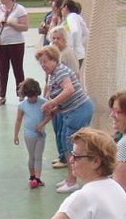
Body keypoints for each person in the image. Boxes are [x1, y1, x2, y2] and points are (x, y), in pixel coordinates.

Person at [37, 43, 93, 193]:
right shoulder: (53, 74)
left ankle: (73, 180)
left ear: (54, 59)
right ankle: (70, 178)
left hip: (79, 110)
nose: (43, 65)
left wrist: (52, 102)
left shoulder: (60, 72)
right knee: (65, 141)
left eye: (46, 61)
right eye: (41, 62)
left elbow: (69, 89)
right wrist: (56, 107)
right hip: (72, 110)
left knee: (71, 145)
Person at [0, 0, 30, 106]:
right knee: (3, 70)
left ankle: (21, 94)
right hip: (2, 43)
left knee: (18, 69)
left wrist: (13, 24)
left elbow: (25, 27)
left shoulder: (19, 9)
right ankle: (2, 96)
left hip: (16, 43)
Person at [14, 78, 47, 188]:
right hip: (29, 135)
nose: (33, 99)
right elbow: (18, 120)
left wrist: (41, 125)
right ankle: (32, 176)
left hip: (40, 135)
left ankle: (37, 178)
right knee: (31, 156)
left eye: (34, 96)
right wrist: (15, 135)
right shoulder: (22, 105)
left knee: (38, 156)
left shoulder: (43, 103)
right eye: (30, 96)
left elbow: (49, 115)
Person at [61, 0, 89, 68]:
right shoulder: (76, 17)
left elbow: (75, 31)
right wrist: (79, 44)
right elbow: (86, 33)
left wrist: (72, 48)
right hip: (78, 53)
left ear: (66, 7)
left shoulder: (71, 16)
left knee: (70, 77)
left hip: (74, 54)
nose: (61, 11)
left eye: (62, 8)